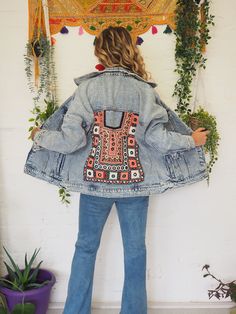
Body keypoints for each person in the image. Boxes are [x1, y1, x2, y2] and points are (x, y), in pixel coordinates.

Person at [28, 26, 209, 314]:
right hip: (135, 186)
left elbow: (71, 139)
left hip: (94, 184)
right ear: (129, 49)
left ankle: (75, 311)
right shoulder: (143, 90)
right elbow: (157, 139)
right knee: (135, 253)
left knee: (85, 250)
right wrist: (192, 140)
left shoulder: (87, 89)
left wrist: (39, 134)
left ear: (101, 51)